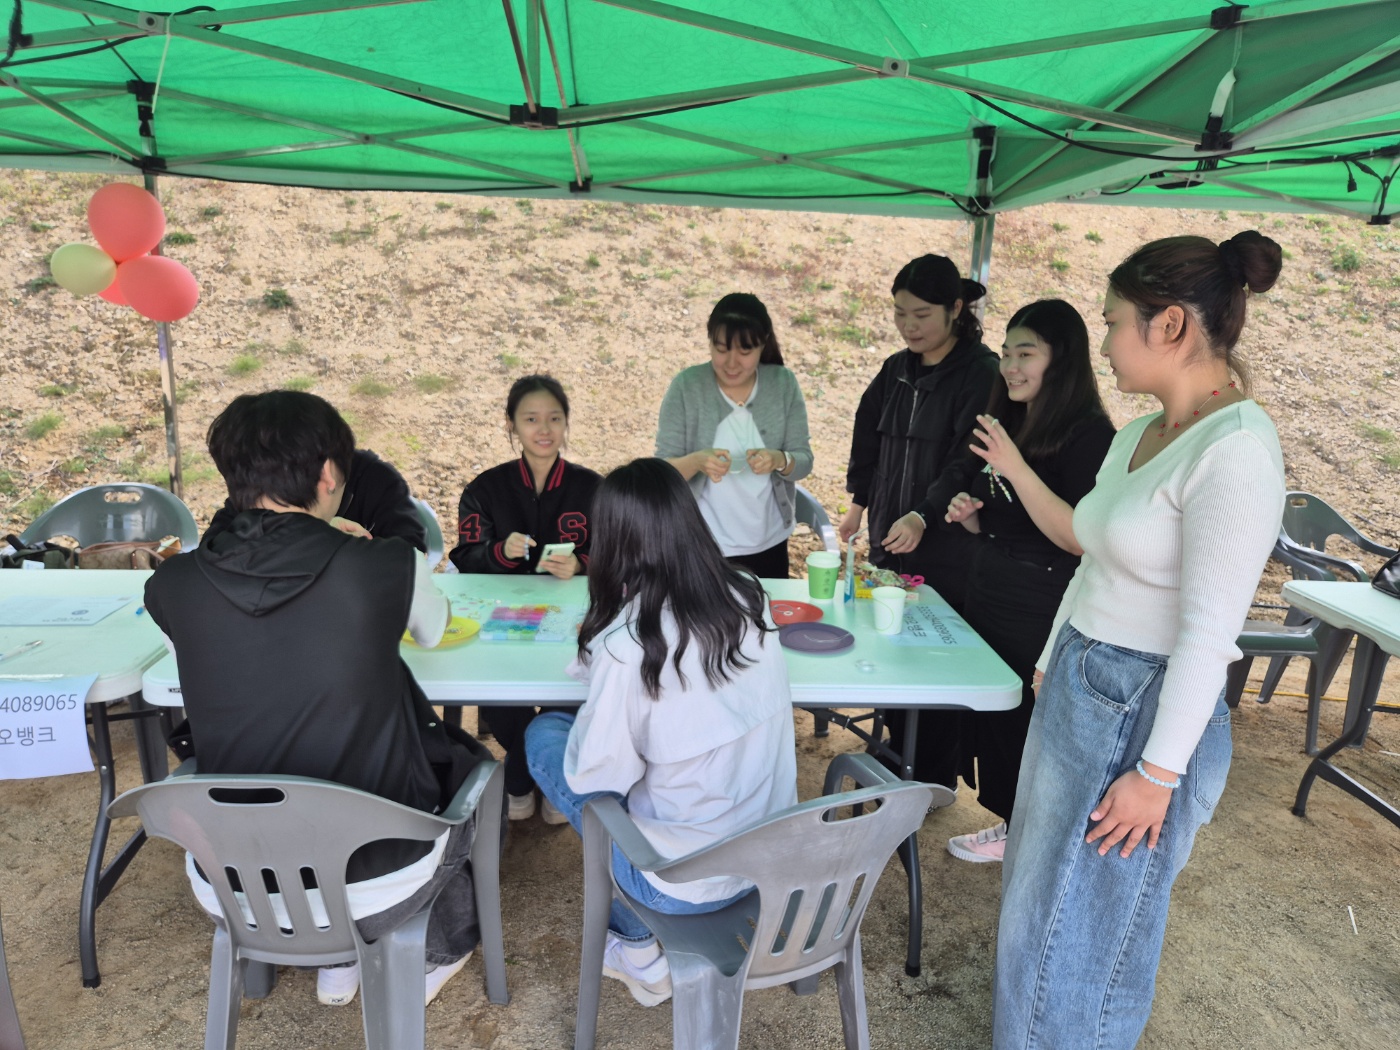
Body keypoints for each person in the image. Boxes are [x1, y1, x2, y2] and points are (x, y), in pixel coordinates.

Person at [993, 233, 1286, 1050]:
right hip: (1084, 682)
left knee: (1080, 930)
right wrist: (1053, 656)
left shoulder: (1235, 450)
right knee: (1035, 907)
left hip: (1146, 707)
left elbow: (1208, 636)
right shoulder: (1140, 436)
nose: (1105, 341)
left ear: (1171, 325)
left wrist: (1157, 776)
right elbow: (1094, 557)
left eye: (1113, 320)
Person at [145, 390, 488, 1010]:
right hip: (379, 878)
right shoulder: (385, 564)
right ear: (329, 473)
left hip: (236, 882)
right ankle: (439, 949)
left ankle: (334, 959)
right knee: (471, 778)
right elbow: (431, 630)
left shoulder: (171, 584)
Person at [523, 457, 797, 1007]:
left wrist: (604, 654)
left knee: (545, 735)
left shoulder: (627, 646)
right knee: (646, 758)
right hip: (770, 857)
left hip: (682, 885)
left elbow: (600, 779)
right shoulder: (748, 595)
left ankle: (637, 947)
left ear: (613, 542)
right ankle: (637, 935)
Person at [940, 300, 1115, 863]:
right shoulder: (1015, 420)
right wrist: (974, 518)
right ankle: (1014, 822)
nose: (1011, 367)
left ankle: (1028, 834)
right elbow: (1013, 515)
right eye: (1006, 354)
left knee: (1027, 720)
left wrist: (1013, 466)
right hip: (991, 587)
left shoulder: (1089, 435)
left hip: (1039, 602)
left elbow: (1077, 536)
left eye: (1026, 354)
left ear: (1060, 360)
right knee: (998, 718)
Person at [840, 254, 999, 789]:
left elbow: (964, 460)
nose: (908, 326)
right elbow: (868, 437)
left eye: (922, 315)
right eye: (900, 313)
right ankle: (894, 755)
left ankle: (932, 778)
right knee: (891, 648)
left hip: (947, 545)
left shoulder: (979, 373)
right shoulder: (896, 369)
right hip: (891, 534)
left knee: (931, 657)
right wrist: (860, 503)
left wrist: (924, 514)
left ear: (955, 308)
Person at [448, 374, 601, 823]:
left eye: (554, 418)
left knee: (574, 686)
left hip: (574, 617)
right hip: (503, 617)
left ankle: (527, 777)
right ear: (511, 424)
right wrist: (500, 552)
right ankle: (541, 774)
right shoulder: (485, 489)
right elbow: (465, 556)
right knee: (499, 692)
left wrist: (582, 564)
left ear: (566, 423)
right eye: (531, 419)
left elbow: (623, 552)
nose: (544, 429)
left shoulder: (593, 488)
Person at [656, 293, 813, 578]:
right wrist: (697, 461)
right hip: (701, 544)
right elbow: (660, 473)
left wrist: (779, 459)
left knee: (765, 607)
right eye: (721, 349)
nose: (731, 363)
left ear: (763, 344)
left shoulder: (782, 384)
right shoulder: (687, 387)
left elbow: (803, 461)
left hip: (770, 543)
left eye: (745, 351)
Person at [206, 444, 426, 552]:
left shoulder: (375, 477)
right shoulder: (262, 483)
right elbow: (212, 548)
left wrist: (353, 549)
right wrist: (317, 536)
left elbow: (410, 548)